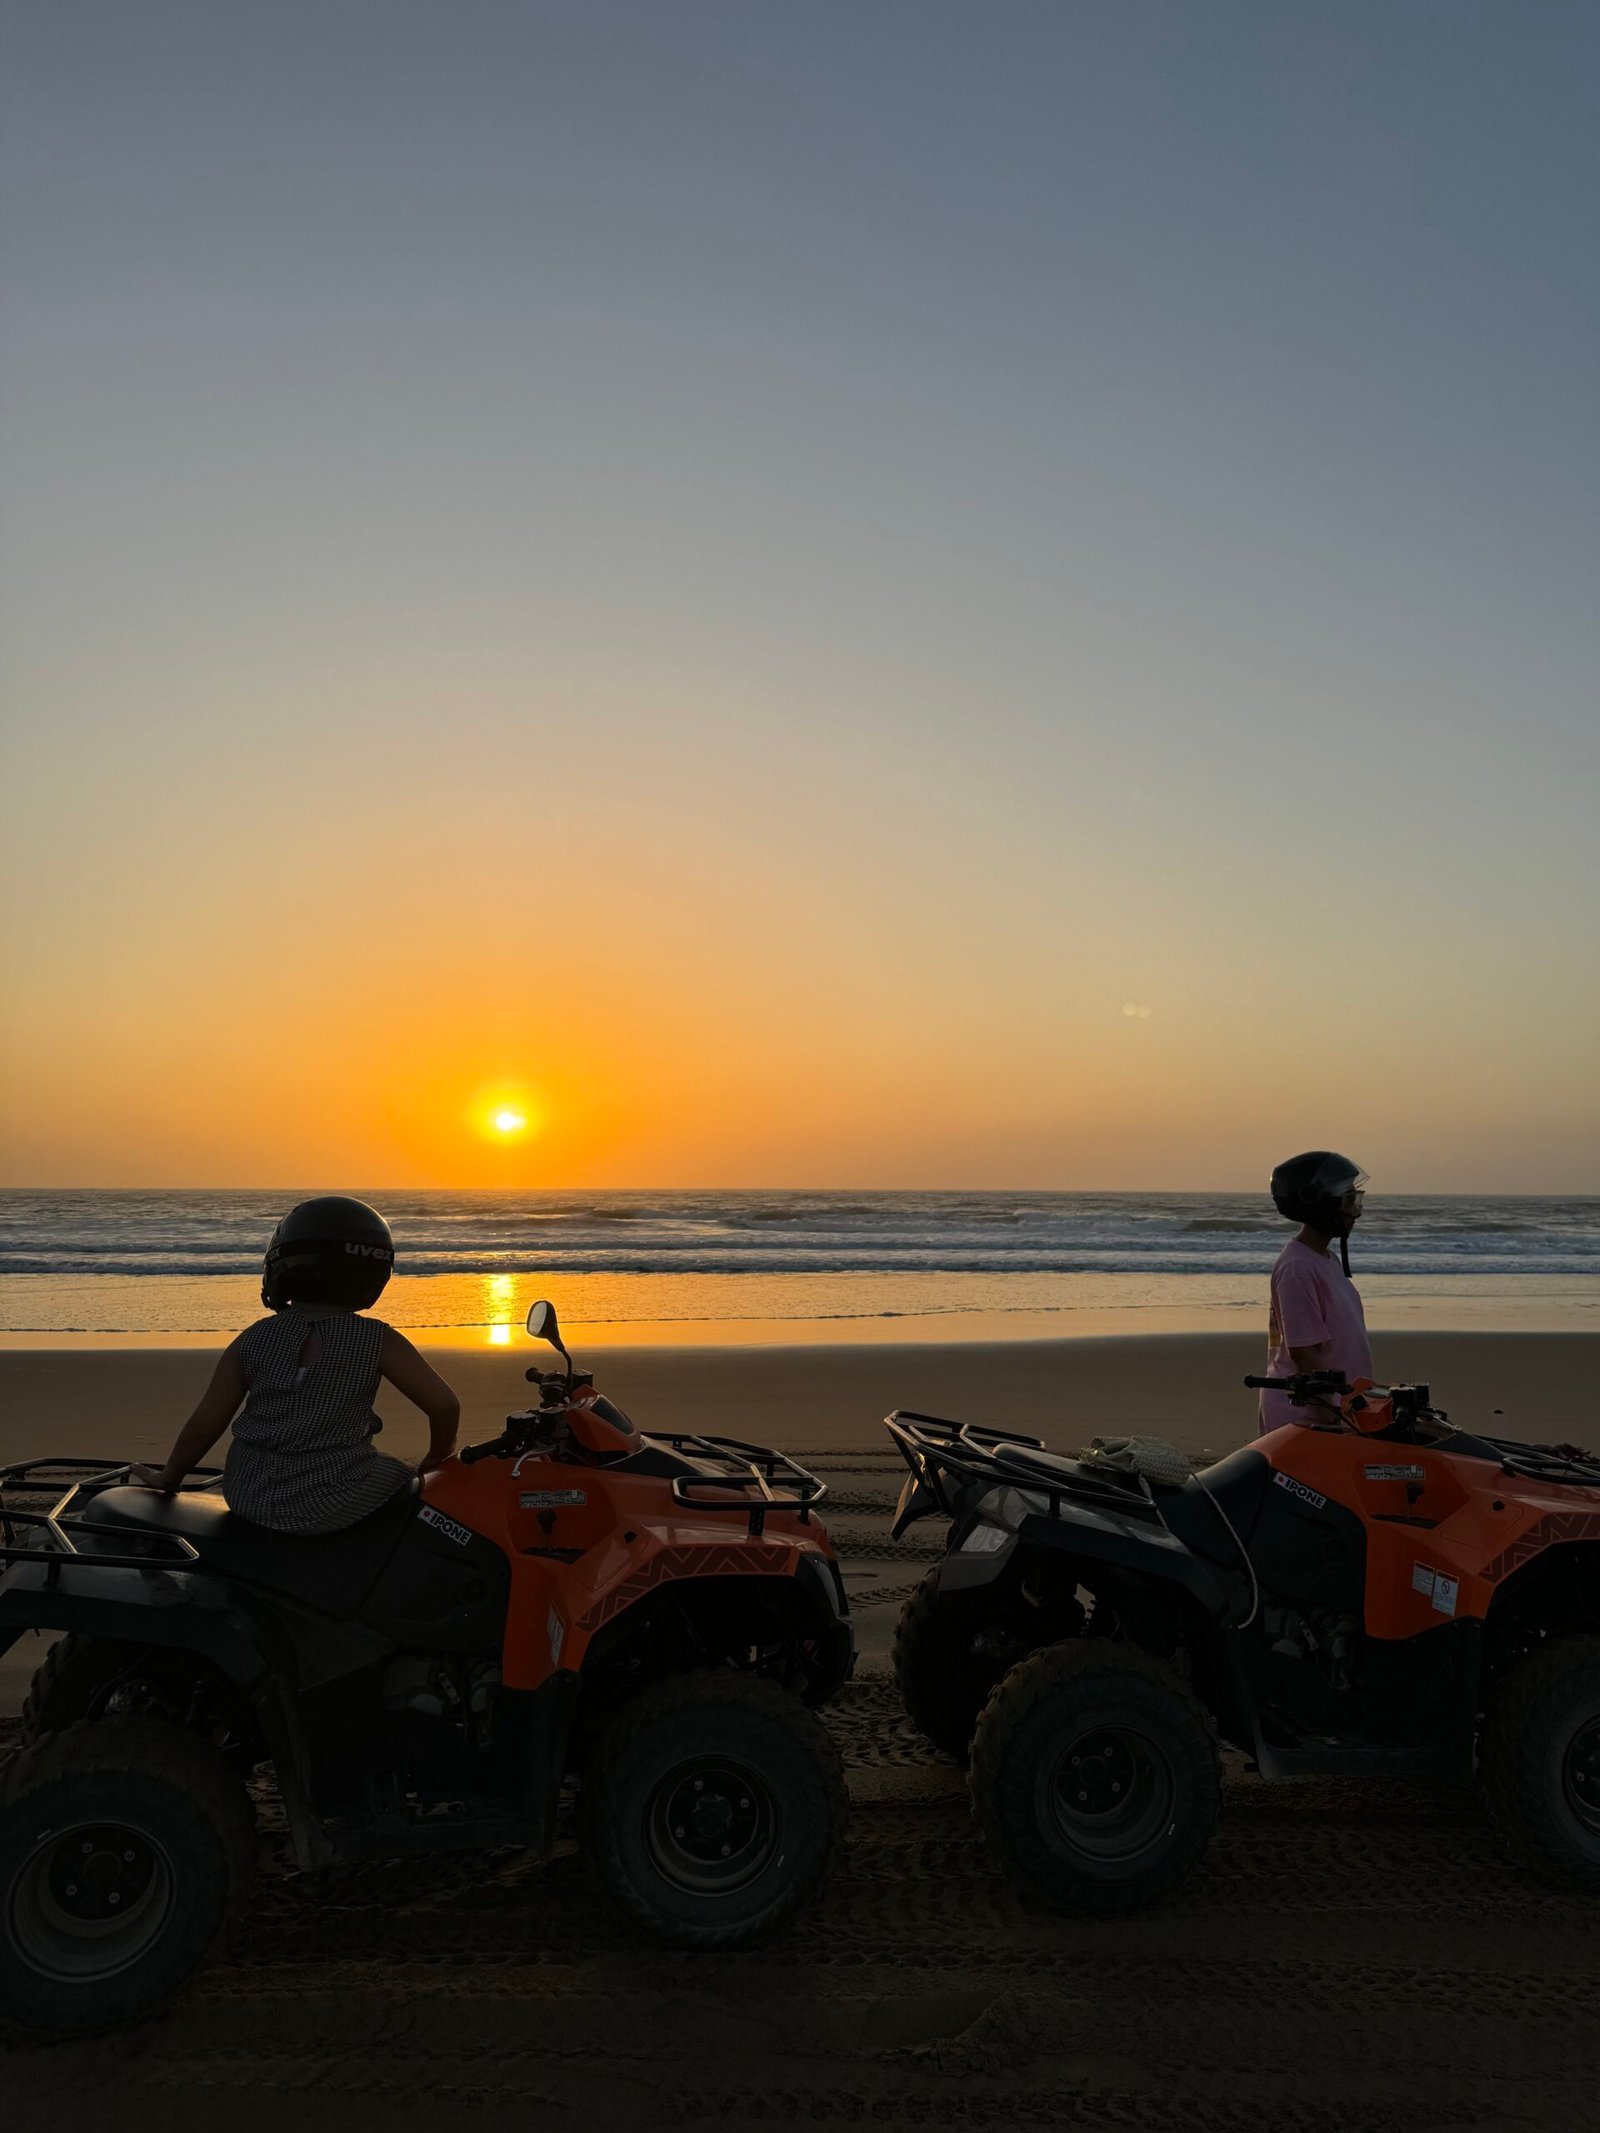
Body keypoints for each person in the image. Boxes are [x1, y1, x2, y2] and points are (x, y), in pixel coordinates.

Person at [131, 1196, 461, 1531]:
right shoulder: (378, 1340)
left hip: (248, 1495)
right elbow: (445, 1406)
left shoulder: (254, 1338)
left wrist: (171, 1476)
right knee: (406, 1478)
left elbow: (206, 1422)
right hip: (333, 1502)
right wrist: (437, 1460)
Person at [1258, 1151, 1373, 1434]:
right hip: (1308, 1420)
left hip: (1339, 1409)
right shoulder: (1297, 1268)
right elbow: (1303, 1353)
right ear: (1322, 1205)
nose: (1355, 1211)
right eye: (1348, 1201)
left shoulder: (1325, 1259)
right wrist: (1330, 1414)